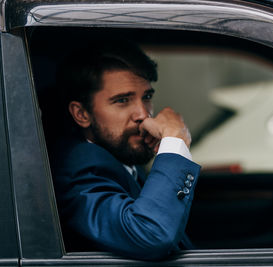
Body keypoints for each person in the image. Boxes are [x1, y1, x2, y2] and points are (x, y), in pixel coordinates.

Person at [48, 41, 201, 261]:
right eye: (122, 100)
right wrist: (174, 141)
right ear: (82, 114)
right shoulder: (77, 168)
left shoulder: (120, 159)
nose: (142, 114)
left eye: (146, 97)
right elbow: (150, 234)